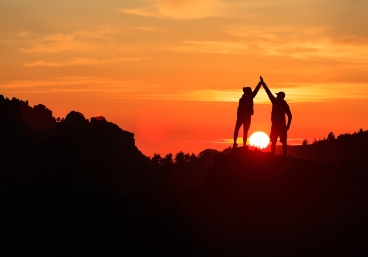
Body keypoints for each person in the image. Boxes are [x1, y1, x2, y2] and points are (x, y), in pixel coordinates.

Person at [260, 76, 292, 156]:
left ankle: (273, 156)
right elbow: (290, 116)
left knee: (274, 141)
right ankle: (284, 156)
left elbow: (268, 93)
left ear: (279, 96)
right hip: (282, 125)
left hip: (276, 125)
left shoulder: (275, 101)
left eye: (277, 95)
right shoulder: (285, 105)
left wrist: (263, 83)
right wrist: (287, 126)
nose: (276, 96)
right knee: (283, 142)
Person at [233, 80, 262, 148]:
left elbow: (238, 109)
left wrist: (260, 83)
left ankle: (237, 143)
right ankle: (241, 144)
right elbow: (256, 91)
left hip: (241, 117)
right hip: (245, 117)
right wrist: (260, 83)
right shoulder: (249, 97)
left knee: (239, 130)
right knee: (244, 131)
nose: (251, 92)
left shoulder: (242, 99)